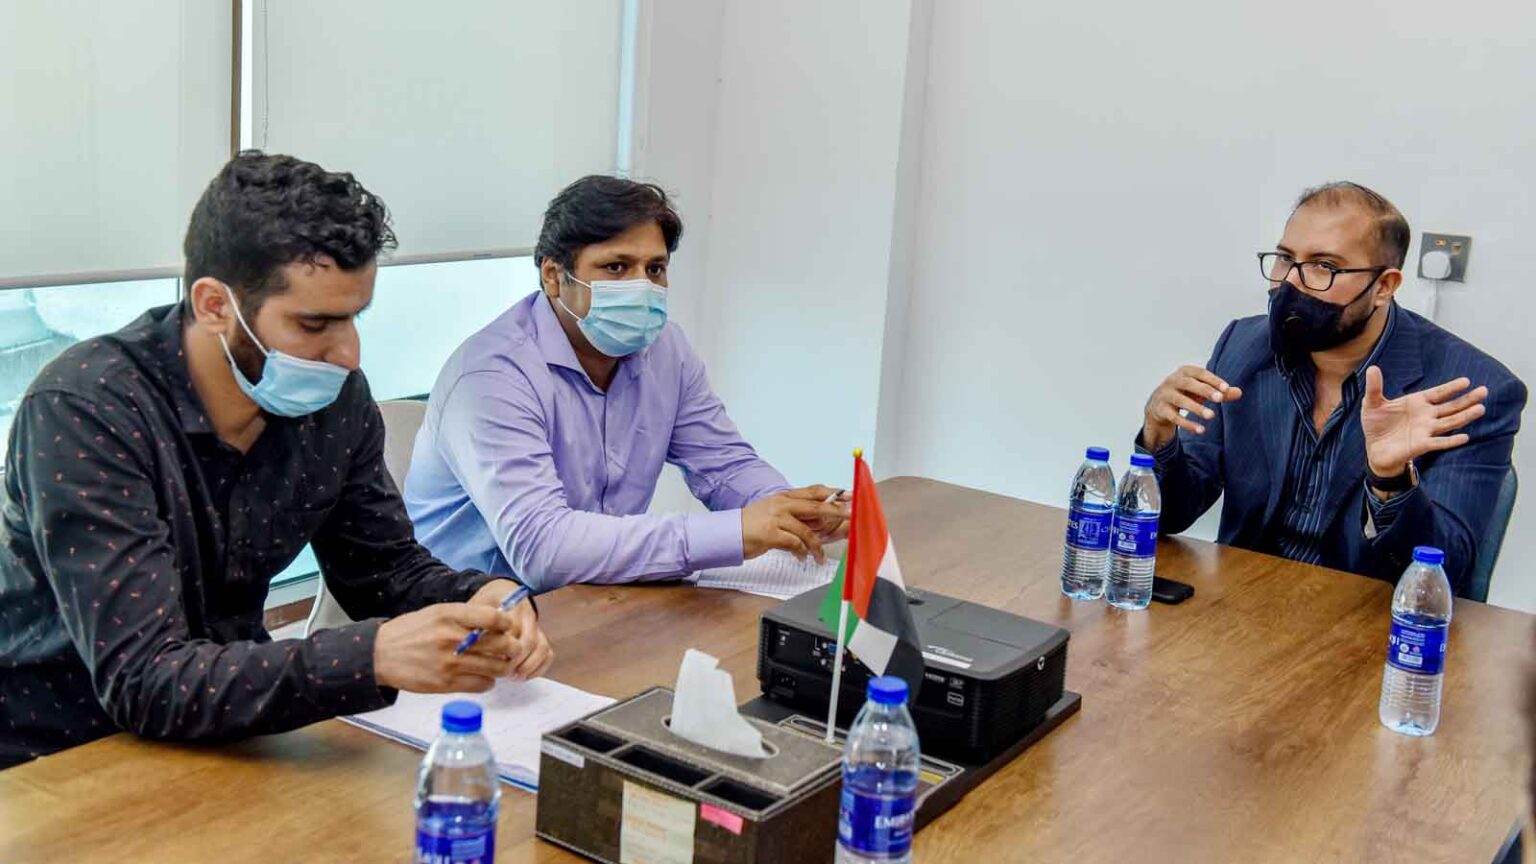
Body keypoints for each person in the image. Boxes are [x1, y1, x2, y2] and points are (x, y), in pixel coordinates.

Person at [0, 153, 552, 769]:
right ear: (214, 305)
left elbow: (381, 569)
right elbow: (146, 677)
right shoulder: (85, 410)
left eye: (354, 318)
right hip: (58, 758)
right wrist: (373, 656)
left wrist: (485, 593)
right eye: (315, 324)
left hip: (231, 735)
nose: (347, 353)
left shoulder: (333, 402)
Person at [406, 175, 848, 591]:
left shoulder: (665, 348)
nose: (642, 287)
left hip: (603, 595)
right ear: (553, 276)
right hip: (476, 616)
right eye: (616, 267)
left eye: (655, 269)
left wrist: (790, 511)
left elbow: (724, 465)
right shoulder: (491, 376)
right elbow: (544, 549)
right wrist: (736, 531)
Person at [1137, 182, 1525, 594]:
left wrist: (1390, 481)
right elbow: (1173, 514)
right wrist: (1159, 437)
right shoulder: (1243, 346)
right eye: (1285, 258)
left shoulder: (1470, 389)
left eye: (1324, 266)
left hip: (1373, 617)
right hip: (1245, 602)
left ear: (1384, 286)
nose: (1292, 282)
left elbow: (1445, 572)